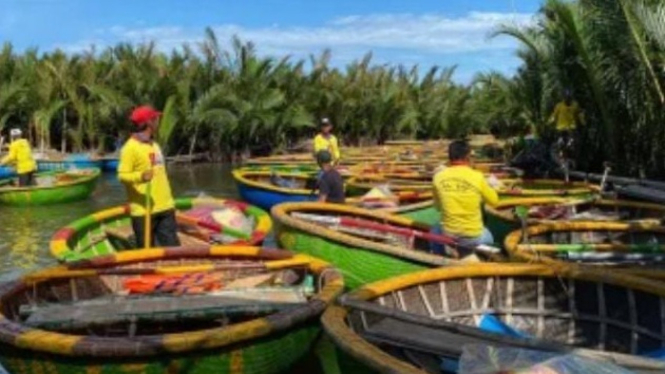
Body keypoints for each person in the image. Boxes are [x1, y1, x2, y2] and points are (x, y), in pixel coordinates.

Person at [118, 105, 180, 248]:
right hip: (143, 211)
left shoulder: (154, 145)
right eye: (155, 118)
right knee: (147, 252)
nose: (158, 121)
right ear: (149, 123)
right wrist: (140, 176)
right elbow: (122, 176)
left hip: (165, 207)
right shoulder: (129, 148)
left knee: (173, 250)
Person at [431, 140, 500, 257]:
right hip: (474, 237)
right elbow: (494, 201)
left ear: (449, 157)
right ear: (468, 157)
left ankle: (439, 257)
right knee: (490, 237)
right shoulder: (477, 176)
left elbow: (437, 207)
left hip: (449, 234)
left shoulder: (438, 177)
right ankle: (482, 258)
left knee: (435, 230)